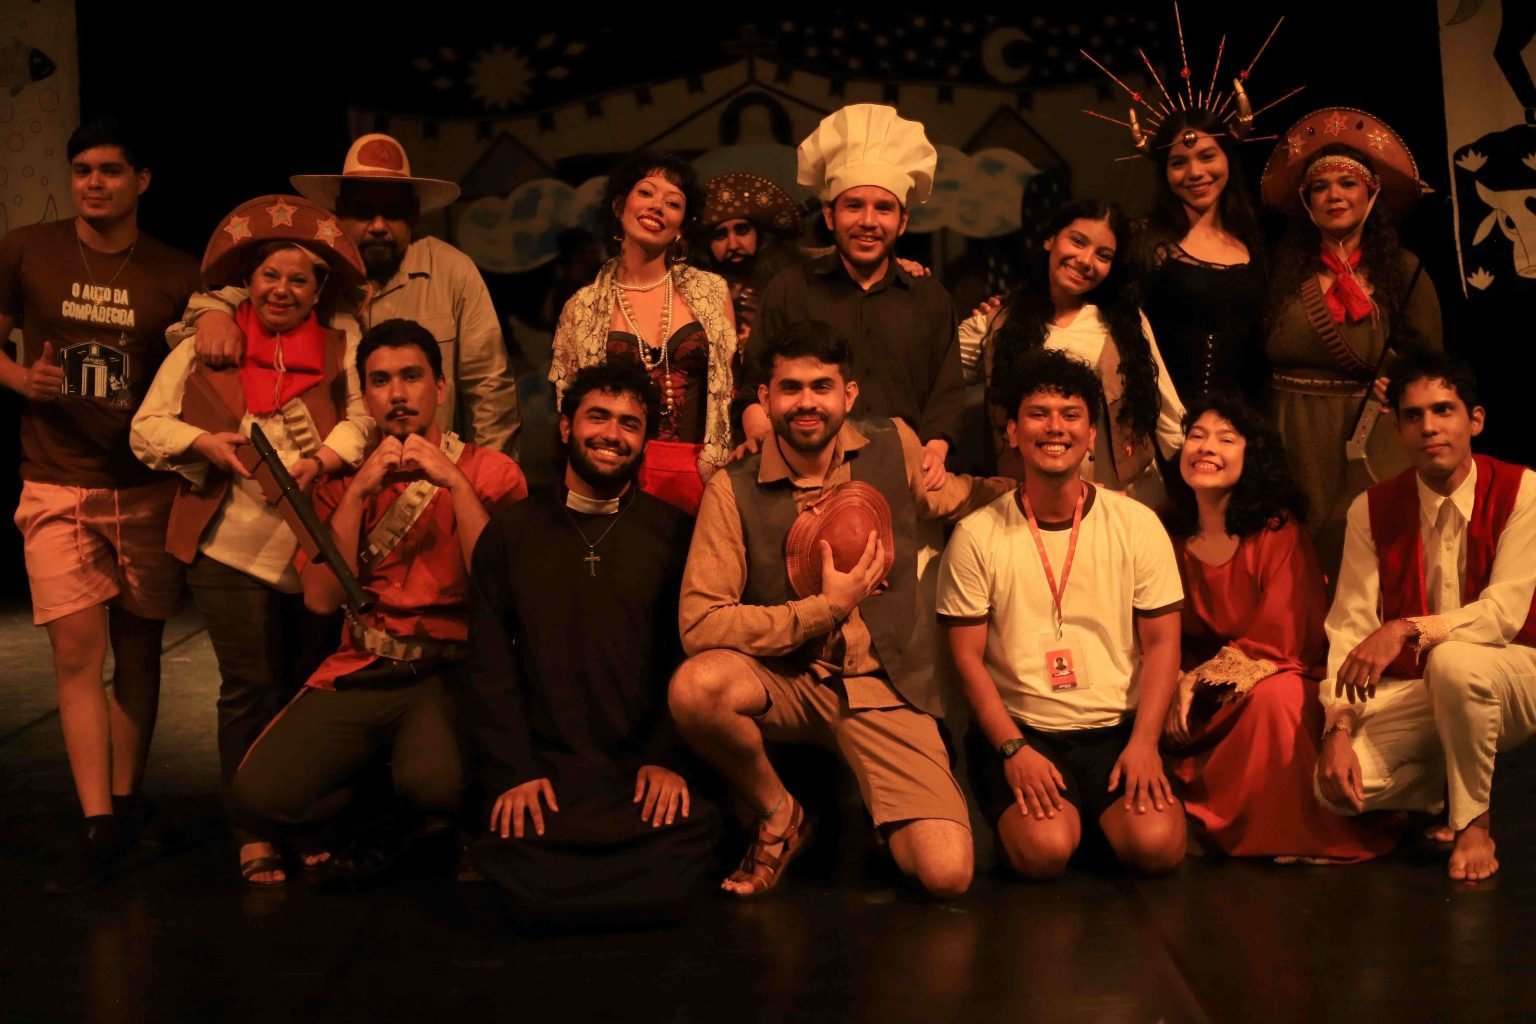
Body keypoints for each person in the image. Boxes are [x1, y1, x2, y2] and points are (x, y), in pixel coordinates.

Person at [669, 321, 1010, 899]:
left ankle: (885, 806)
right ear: (765, 398)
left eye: (821, 386)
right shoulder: (733, 487)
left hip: (884, 685)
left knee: (947, 875)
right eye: (791, 388)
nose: (807, 402)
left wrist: (1035, 490)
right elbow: (700, 622)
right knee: (696, 688)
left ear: (848, 395)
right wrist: (821, 610)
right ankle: (780, 814)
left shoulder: (894, 443)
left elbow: (949, 496)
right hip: (788, 679)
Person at [229, 319, 527, 883]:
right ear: (365, 397)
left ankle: (413, 807)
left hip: (448, 669)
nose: (398, 393)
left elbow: (502, 594)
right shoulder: (343, 483)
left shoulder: (492, 472)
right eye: (381, 380)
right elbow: (321, 599)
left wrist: (455, 484)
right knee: (256, 794)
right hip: (365, 666)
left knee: (433, 785)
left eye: (412, 376)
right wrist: (360, 490)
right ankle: (381, 808)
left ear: (441, 387)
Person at [130, 195, 373, 886]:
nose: (282, 290)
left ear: (318, 290)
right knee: (249, 688)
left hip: (310, 545)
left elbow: (363, 418)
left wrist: (325, 456)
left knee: (307, 690)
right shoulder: (204, 344)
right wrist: (201, 441)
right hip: (225, 550)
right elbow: (145, 429)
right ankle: (253, 830)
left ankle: (308, 817)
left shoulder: (342, 344)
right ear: (248, 280)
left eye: (299, 279)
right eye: (271, 275)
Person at [0, 116, 200, 892]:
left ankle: (124, 799)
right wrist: (22, 379)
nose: (94, 182)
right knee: (77, 656)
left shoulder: (173, 271)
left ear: (140, 181)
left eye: (110, 170)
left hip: (144, 486)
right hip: (57, 483)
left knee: (139, 651)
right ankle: (98, 825)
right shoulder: (28, 248)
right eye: (82, 169)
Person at [466, 362, 720, 929]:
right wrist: (515, 773)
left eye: (630, 424)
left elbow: (690, 657)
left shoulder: (677, 535)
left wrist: (665, 760)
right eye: (598, 417)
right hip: (545, 769)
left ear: (645, 441)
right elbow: (489, 665)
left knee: (687, 839)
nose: (612, 434)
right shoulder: (509, 535)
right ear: (565, 427)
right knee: (512, 847)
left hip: (639, 770)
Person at [938, 347, 1187, 879]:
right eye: (1038, 414)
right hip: (1024, 728)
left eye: (1071, 415)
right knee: (1044, 851)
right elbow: (966, 659)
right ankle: (1063, 820)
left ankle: (1091, 816)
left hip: (1115, 729)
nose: (1055, 428)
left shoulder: (1136, 524)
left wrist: (1145, 743)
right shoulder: (976, 535)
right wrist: (1012, 748)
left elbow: (1163, 642)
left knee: (1159, 848)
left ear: (1091, 434)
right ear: (1012, 432)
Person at [1314, 350, 1536, 882]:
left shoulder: (1522, 490)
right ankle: (1449, 779)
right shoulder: (1371, 509)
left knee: (1453, 661)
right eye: (1413, 415)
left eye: (1443, 410)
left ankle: (1473, 823)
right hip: (1423, 690)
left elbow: (1502, 615)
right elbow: (1348, 627)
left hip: (1515, 673)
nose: (1429, 427)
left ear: (1474, 420)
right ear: (1398, 429)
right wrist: (1338, 727)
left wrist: (1406, 629)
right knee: (1336, 789)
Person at [1161, 393, 1398, 861]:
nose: (1207, 448)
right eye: (1197, 436)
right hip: (1189, 694)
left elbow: (1286, 638)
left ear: (1250, 456)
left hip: (1271, 673)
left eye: (1225, 439)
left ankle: (1284, 831)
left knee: (1278, 698)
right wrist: (1172, 679)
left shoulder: (1276, 530)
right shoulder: (1162, 531)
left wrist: (1199, 679)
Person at [179, 133, 520, 454]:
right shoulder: (309, 268)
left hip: (428, 477)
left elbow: (489, 388)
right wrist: (213, 314)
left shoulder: (451, 270)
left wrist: (488, 482)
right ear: (338, 212)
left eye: (394, 213)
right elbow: (245, 293)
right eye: (362, 212)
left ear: (414, 215)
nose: (379, 226)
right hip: (331, 475)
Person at [1260, 108, 1442, 574]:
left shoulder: (1402, 270)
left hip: (1369, 430)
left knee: (1368, 551)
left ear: (1372, 192)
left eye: (1347, 183)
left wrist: (1399, 384)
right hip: (1292, 427)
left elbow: (1430, 362)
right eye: (1320, 187)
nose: (1334, 195)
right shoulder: (1283, 271)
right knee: (1298, 556)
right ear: (1306, 201)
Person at [753, 104, 962, 492]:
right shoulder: (789, 290)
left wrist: (936, 447)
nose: (868, 221)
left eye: (883, 208)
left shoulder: (929, 299)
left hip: (908, 479)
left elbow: (946, 391)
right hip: (805, 481)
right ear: (830, 216)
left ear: (902, 221)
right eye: (854, 206)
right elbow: (755, 381)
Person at [549, 150, 738, 516]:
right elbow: (570, 410)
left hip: (701, 479)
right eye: (646, 193)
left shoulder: (712, 292)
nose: (657, 207)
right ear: (620, 206)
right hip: (615, 479)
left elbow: (729, 391)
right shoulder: (582, 307)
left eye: (673, 202)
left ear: (682, 225)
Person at [959, 200, 1185, 502]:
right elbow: (932, 375)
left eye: (1103, 255)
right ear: (1050, 239)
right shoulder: (998, 324)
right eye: (1078, 241)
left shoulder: (1126, 322)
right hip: (1034, 502)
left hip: (1126, 498)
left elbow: (1167, 413)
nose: (1086, 260)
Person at [1138, 110, 1269, 405]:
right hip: (1167, 418)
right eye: (1178, 162)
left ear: (1228, 159)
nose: (1195, 172)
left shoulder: (1256, 239)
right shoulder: (1145, 245)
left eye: (1207, 156)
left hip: (1241, 420)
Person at [697, 172, 803, 347]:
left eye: (742, 230)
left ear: (759, 235)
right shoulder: (693, 293)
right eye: (720, 235)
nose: (733, 245)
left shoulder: (787, 285)